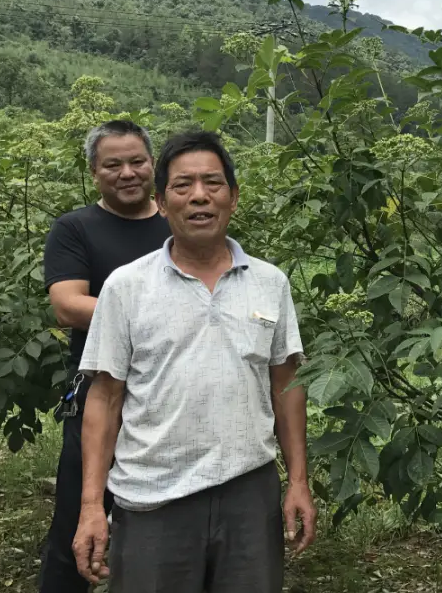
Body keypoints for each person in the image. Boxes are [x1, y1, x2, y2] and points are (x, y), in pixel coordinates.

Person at [72, 129, 317, 593]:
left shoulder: (270, 282)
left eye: (213, 183)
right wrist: (90, 506)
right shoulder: (126, 287)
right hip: (153, 499)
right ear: (162, 202)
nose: (199, 196)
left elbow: (286, 383)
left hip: (249, 494)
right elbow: (104, 398)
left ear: (234, 197)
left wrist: (299, 481)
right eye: (183, 186)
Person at [38, 120, 171, 593]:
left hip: (170, 402)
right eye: (113, 164)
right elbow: (67, 304)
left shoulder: (177, 222)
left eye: (137, 161)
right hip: (101, 396)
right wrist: (163, 311)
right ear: (94, 171)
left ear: (153, 164)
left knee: (166, 533)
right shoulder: (76, 228)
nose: (128, 173)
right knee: (78, 527)